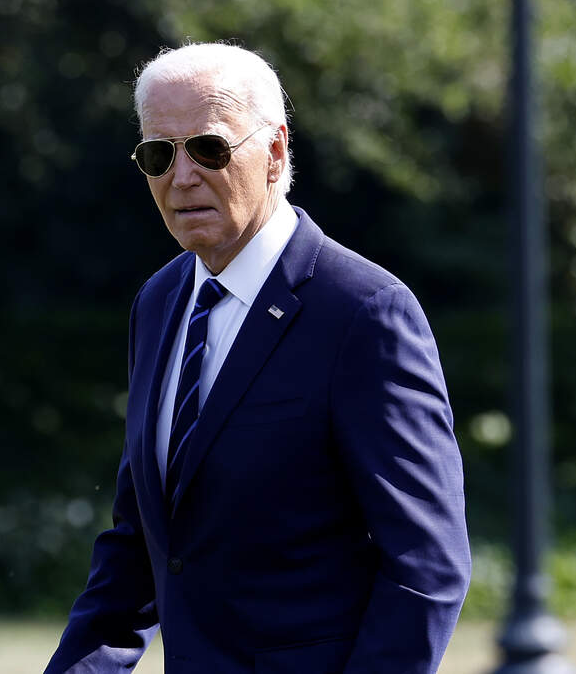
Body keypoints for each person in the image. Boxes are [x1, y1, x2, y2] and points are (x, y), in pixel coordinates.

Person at [45, 42, 470, 674]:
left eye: (209, 148)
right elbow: (142, 542)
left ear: (274, 151)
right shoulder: (158, 302)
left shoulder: (363, 312)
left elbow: (426, 565)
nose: (181, 177)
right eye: (159, 154)